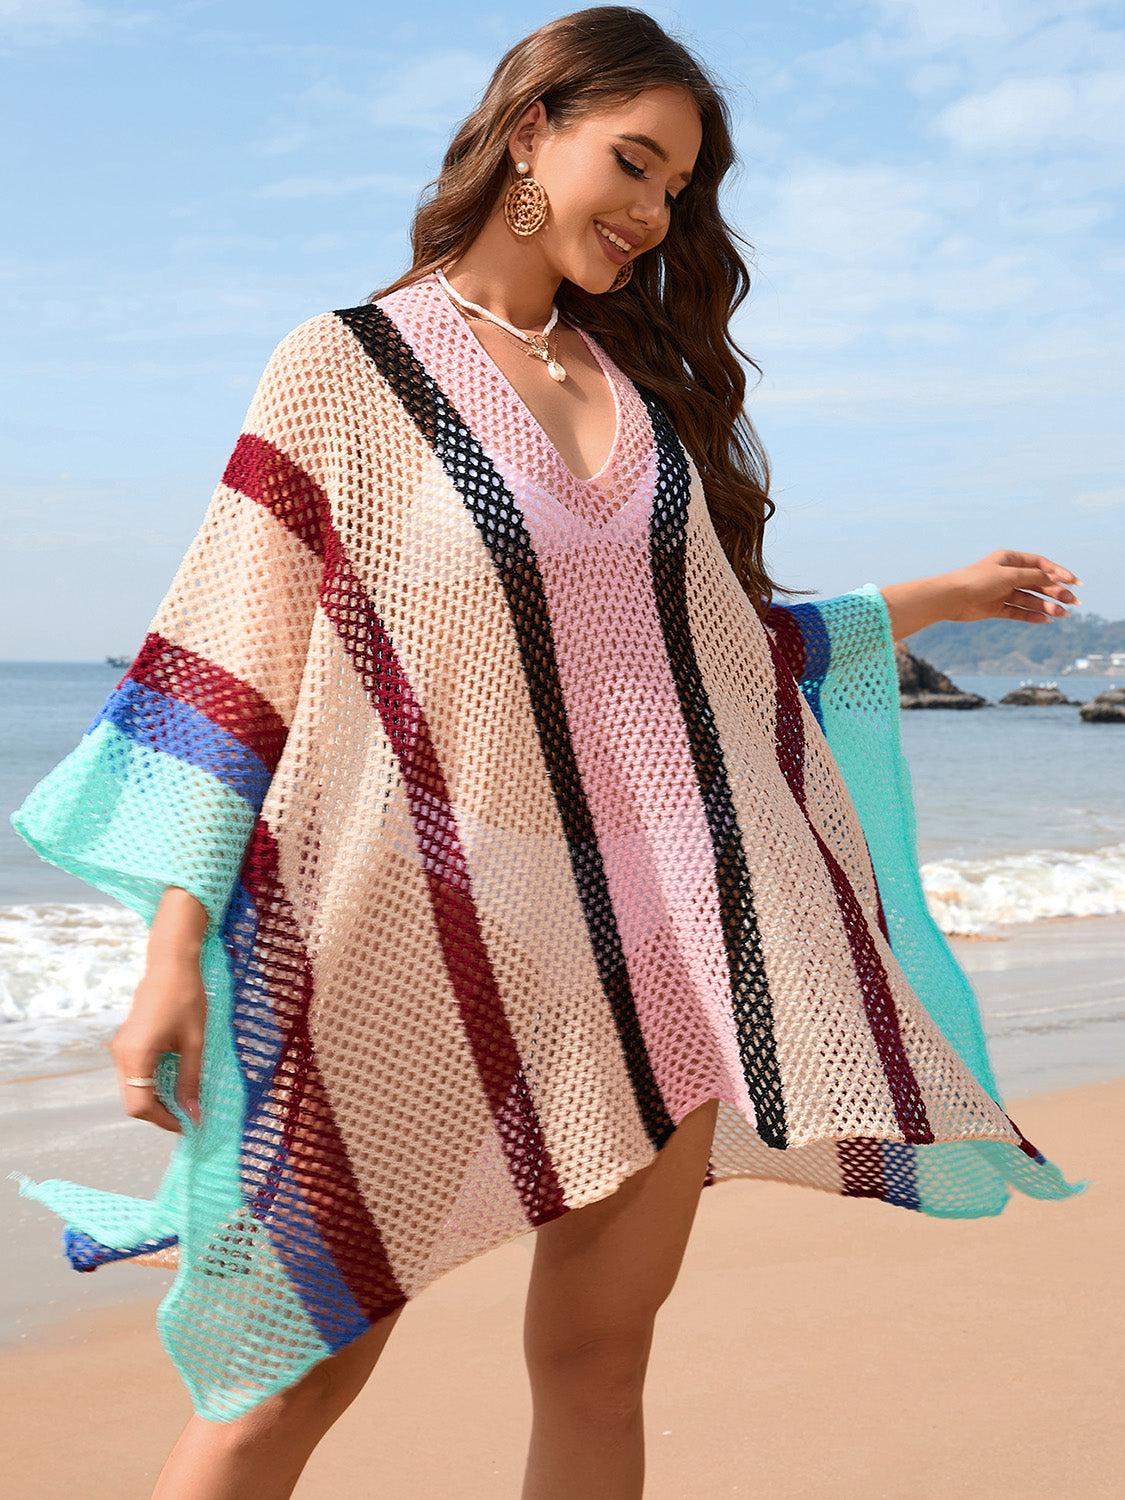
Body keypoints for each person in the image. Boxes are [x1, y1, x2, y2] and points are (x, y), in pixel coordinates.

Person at [8, 8, 1088, 1499]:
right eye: (629, 164)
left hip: (651, 943)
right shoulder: (347, 370)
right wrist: (172, 953)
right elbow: (228, 666)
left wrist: (943, 599)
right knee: (288, 1372)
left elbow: (717, 660)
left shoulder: (640, 401)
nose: (648, 213)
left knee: (596, 1362)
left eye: (675, 190)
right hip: (414, 944)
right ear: (529, 131)